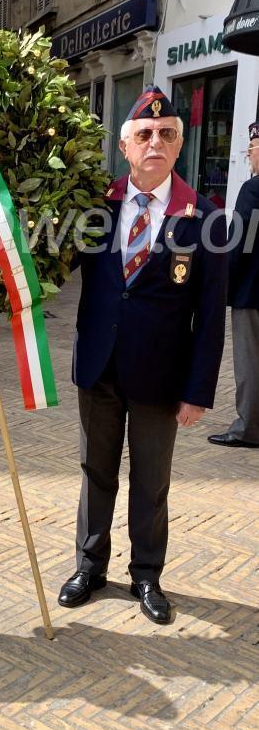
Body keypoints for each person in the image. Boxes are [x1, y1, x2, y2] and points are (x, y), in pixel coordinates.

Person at [58, 87, 228, 625]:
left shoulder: (205, 216)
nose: (156, 142)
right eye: (145, 135)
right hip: (100, 367)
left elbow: (211, 314)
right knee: (95, 471)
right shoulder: (93, 206)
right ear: (125, 147)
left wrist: (198, 390)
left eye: (167, 134)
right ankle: (90, 565)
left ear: (179, 146)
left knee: (152, 480)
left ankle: (147, 575)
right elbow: (50, 267)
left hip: (161, 376)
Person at [208, 120, 259, 449]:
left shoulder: (252, 190)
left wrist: (223, 287)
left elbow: (239, 244)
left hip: (252, 291)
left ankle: (248, 429)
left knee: (250, 364)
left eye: (251, 151)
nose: (250, 158)